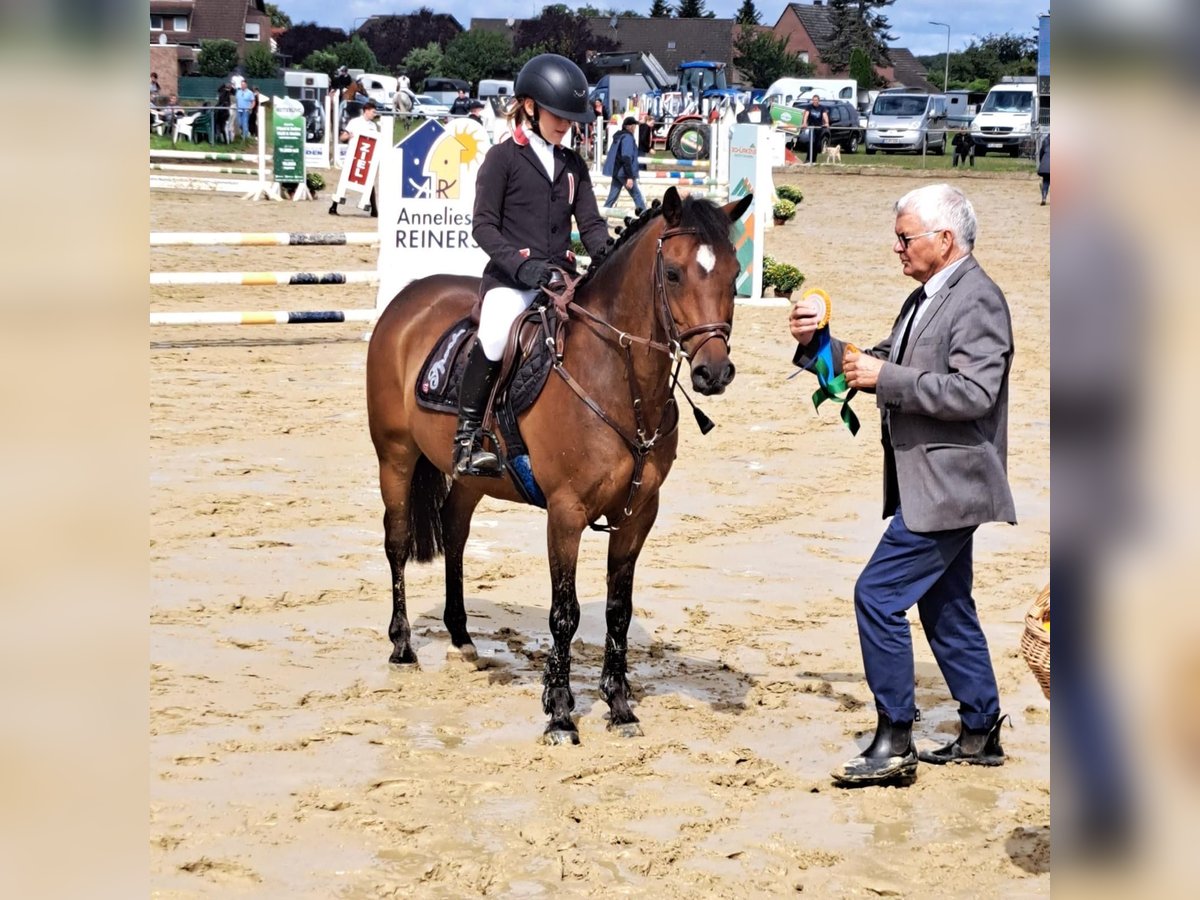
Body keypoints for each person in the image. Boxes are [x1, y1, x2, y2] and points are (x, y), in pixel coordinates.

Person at [788, 183, 1016, 786]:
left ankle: (896, 740)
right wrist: (816, 341)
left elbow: (975, 394)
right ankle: (980, 728)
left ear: (945, 240)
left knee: (877, 595)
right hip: (934, 482)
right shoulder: (927, 296)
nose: (897, 248)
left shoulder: (978, 301)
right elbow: (872, 364)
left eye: (905, 237)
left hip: (950, 484)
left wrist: (890, 376)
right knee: (945, 605)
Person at [453, 53, 611, 477]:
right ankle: (467, 439)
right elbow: (483, 227)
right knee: (496, 331)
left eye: (571, 118)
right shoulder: (502, 158)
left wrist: (608, 254)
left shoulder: (573, 164)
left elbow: (591, 223)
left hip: (560, 279)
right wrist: (522, 269)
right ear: (529, 106)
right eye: (558, 115)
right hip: (512, 278)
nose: (565, 125)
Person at [329, 99, 380, 217]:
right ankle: (334, 206)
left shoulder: (373, 126)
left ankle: (374, 210)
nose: (374, 114)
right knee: (345, 179)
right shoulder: (354, 122)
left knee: (369, 180)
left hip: (367, 156)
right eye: (373, 112)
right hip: (354, 155)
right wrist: (348, 136)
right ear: (366, 111)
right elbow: (342, 137)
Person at [602, 116, 646, 213]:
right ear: (629, 126)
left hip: (616, 171)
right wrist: (629, 176)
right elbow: (626, 157)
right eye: (634, 126)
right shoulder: (628, 138)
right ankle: (646, 218)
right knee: (636, 195)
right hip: (624, 173)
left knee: (611, 198)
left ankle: (601, 219)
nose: (635, 128)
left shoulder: (619, 137)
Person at [803, 94, 830, 164]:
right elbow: (806, 115)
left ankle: (814, 160)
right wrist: (804, 123)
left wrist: (827, 123)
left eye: (816, 100)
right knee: (811, 143)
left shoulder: (822, 108)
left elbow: (825, 115)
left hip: (819, 128)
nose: (815, 102)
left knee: (817, 145)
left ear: (819, 101)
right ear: (812, 101)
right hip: (812, 128)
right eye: (814, 100)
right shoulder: (809, 107)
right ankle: (808, 159)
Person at [1037, 133, 1050, 205]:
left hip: (1045, 165)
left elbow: (1041, 153)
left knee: (1046, 181)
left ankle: (1044, 197)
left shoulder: (1045, 140)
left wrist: (1042, 163)